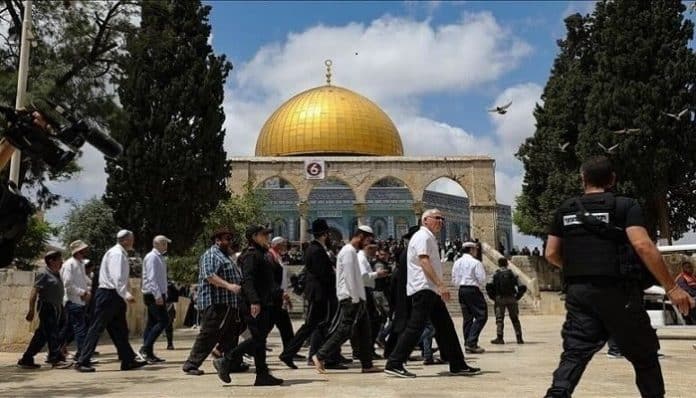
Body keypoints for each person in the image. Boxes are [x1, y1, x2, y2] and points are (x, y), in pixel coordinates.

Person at [543, 156, 693, 398]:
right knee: (644, 357)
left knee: (574, 354)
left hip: (579, 293)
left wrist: (579, 269)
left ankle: (557, 394)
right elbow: (643, 246)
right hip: (618, 292)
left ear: (583, 180)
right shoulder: (624, 206)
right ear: (613, 179)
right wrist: (672, 288)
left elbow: (551, 253)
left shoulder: (565, 209)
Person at [385, 209, 480, 378]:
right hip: (424, 288)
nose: (441, 222)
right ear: (425, 220)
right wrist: (440, 284)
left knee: (446, 327)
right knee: (415, 327)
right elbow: (423, 260)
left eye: (442, 219)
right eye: (437, 218)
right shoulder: (423, 236)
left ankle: (457, 364)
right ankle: (394, 362)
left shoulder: (428, 237)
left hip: (430, 290)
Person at [213, 225, 284, 386]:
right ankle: (226, 360)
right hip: (253, 303)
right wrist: (254, 301)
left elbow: (266, 280)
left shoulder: (261, 254)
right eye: (263, 234)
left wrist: (279, 294)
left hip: (263, 302)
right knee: (258, 338)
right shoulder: (251, 256)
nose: (266, 237)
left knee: (260, 340)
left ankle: (262, 375)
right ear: (254, 237)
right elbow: (248, 280)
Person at [312, 226, 382, 374]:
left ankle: (367, 364)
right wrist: (356, 298)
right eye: (368, 239)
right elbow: (350, 277)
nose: (368, 243)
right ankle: (320, 355)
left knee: (365, 332)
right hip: (351, 298)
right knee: (345, 330)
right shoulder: (349, 251)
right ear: (361, 236)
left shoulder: (352, 252)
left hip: (357, 297)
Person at [74, 230, 147, 372]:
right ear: (125, 240)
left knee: (120, 330)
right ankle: (82, 361)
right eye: (132, 239)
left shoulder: (119, 253)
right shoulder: (117, 254)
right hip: (109, 295)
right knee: (96, 328)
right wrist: (126, 293)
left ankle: (128, 360)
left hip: (114, 296)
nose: (133, 242)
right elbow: (117, 277)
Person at [182, 228, 244, 376]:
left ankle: (231, 363)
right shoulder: (211, 255)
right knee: (209, 334)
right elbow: (209, 276)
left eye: (230, 239)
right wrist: (230, 286)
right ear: (217, 240)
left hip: (229, 304)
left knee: (231, 335)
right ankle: (191, 364)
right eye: (227, 239)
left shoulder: (225, 256)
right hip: (216, 303)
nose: (230, 242)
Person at [279, 219, 338, 369]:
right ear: (324, 235)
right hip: (319, 294)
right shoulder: (316, 250)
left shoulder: (313, 248)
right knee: (313, 326)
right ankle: (292, 354)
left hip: (317, 294)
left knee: (315, 325)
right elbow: (322, 274)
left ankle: (314, 354)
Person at [17, 251, 70, 369]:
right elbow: (34, 292)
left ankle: (27, 359)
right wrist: (31, 310)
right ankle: (55, 359)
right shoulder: (43, 273)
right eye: (59, 260)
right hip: (47, 307)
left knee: (41, 336)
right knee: (52, 333)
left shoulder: (56, 273)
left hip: (57, 307)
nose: (61, 262)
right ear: (51, 261)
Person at [139, 235, 171, 363]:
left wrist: (164, 294)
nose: (166, 246)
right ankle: (145, 349)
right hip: (153, 294)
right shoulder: (152, 257)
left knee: (151, 323)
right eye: (165, 243)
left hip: (157, 293)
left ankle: (149, 353)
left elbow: (161, 278)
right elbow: (151, 278)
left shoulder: (159, 257)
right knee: (163, 321)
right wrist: (158, 295)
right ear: (158, 244)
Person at [452, 241, 488, 354]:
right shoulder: (475, 263)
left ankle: (468, 342)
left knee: (467, 318)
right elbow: (482, 278)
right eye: (476, 250)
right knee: (481, 316)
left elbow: (455, 279)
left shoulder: (457, 262)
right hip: (472, 290)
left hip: (462, 290)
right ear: (472, 250)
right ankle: (471, 342)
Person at [60, 240, 92, 360]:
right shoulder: (70, 264)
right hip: (73, 301)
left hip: (80, 301)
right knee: (80, 329)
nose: (86, 251)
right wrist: (82, 292)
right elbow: (68, 284)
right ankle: (82, 355)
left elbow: (83, 280)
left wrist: (89, 289)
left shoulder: (80, 263)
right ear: (79, 251)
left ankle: (58, 350)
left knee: (70, 329)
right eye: (84, 249)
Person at [487, 257, 526, 344]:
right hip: (512, 298)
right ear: (507, 264)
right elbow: (522, 287)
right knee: (515, 318)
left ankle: (500, 337)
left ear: (499, 264)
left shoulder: (495, 274)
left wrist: (493, 297)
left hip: (500, 298)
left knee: (499, 319)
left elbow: (488, 286)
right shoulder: (512, 274)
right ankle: (519, 337)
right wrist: (517, 297)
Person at [267, 236, 295, 350]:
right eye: (283, 244)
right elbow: (271, 279)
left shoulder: (277, 256)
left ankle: (290, 351)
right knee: (265, 329)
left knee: (285, 327)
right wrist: (281, 293)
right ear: (277, 245)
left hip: (279, 296)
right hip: (274, 297)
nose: (285, 246)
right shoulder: (270, 256)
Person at [164, 281, 180, 350]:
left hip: (168, 305)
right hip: (164, 304)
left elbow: (176, 295)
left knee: (168, 326)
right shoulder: (170, 285)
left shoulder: (170, 285)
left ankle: (170, 343)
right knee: (168, 326)